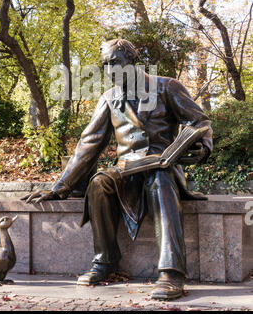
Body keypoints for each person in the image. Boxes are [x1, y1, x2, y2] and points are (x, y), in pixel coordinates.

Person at [23, 39, 212, 300]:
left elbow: (199, 121)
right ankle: (106, 260)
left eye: (115, 62)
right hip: (127, 168)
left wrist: (203, 146)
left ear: (132, 61)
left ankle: (171, 273)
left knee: (160, 179)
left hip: (162, 165)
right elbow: (89, 143)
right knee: (99, 182)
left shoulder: (167, 86)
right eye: (105, 65)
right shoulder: (109, 98)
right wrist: (59, 189)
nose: (110, 70)